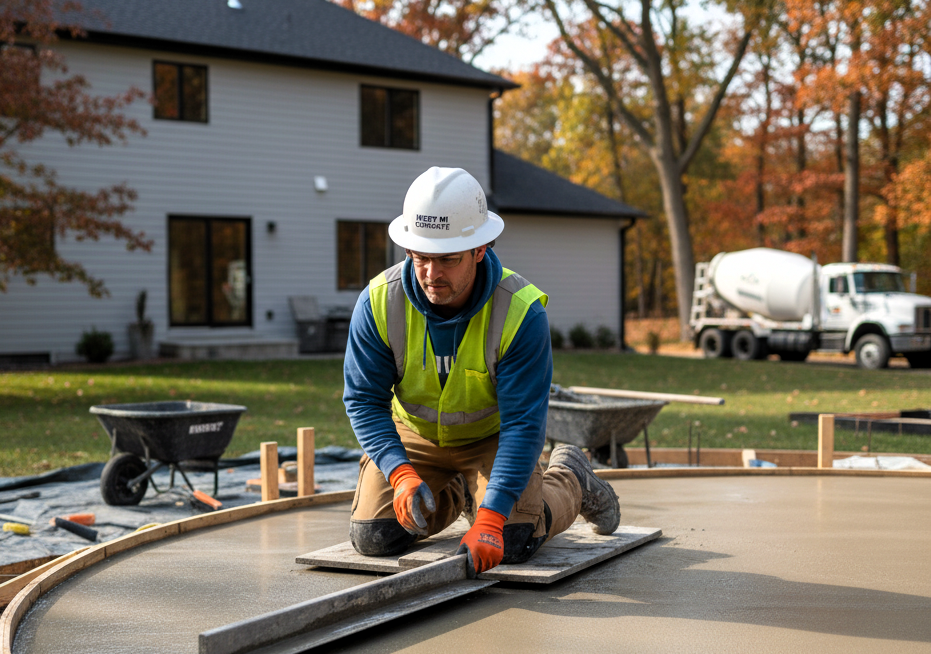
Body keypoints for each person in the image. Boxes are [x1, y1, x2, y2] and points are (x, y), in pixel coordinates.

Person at [343, 166, 621, 575]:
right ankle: (461, 490)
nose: (431, 275)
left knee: (512, 540)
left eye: (448, 259)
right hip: (416, 437)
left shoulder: (520, 313)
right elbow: (364, 401)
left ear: (480, 248)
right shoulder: (379, 303)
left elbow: (523, 425)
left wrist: (492, 519)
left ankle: (572, 479)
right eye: (421, 257)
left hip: (493, 438)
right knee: (375, 536)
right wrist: (400, 473)